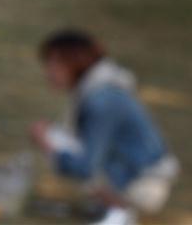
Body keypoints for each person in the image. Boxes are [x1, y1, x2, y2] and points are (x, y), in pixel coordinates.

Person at [31, 30, 179, 225]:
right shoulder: (97, 90)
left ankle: (119, 212)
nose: (48, 72)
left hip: (146, 182)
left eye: (54, 64)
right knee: (61, 138)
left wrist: (47, 144)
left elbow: (85, 168)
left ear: (74, 62)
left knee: (58, 141)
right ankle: (113, 208)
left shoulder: (101, 100)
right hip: (141, 172)